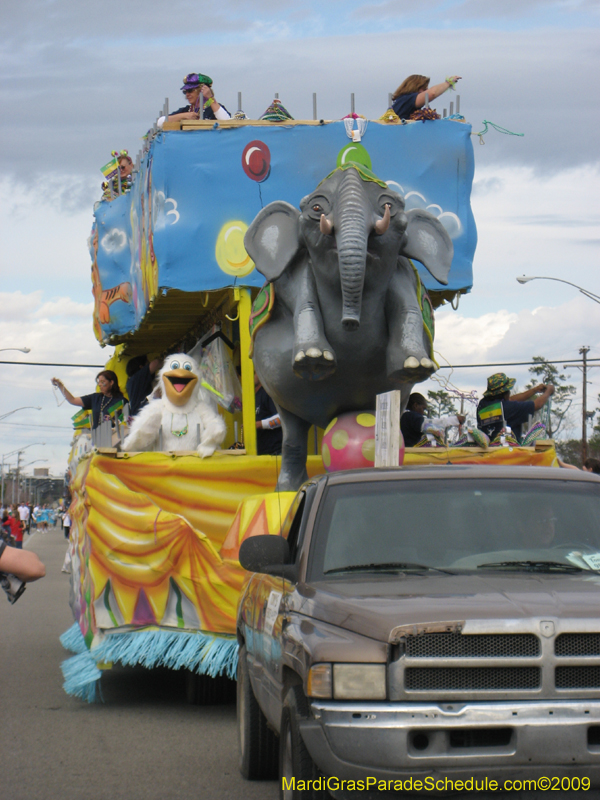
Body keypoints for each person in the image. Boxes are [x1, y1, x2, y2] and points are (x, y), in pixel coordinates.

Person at [477, 373, 555, 445]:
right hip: (507, 452)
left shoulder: (483, 404)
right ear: (504, 393)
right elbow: (538, 404)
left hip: (488, 450)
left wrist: (535, 390)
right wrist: (548, 392)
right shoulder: (508, 408)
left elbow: (510, 399)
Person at [52, 370, 124, 429]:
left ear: (111, 382)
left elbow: (125, 422)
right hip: (97, 440)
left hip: (114, 439)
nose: (100, 384)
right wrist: (60, 385)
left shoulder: (122, 401)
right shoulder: (96, 398)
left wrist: (113, 422)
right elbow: (72, 400)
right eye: (99, 382)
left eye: (103, 382)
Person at [161, 73, 231, 125]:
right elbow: (160, 122)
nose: (187, 94)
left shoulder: (213, 109)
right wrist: (184, 116)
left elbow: (227, 121)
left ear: (201, 90)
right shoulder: (186, 110)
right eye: (185, 92)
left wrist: (210, 98)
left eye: (190, 91)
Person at [400, 393, 466, 448]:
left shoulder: (404, 416)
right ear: (415, 405)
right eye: (423, 409)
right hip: (410, 453)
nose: (423, 413)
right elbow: (430, 425)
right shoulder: (411, 416)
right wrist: (454, 420)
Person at [391, 74, 461, 120]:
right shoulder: (407, 99)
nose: (426, 91)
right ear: (415, 87)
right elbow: (431, 93)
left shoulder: (402, 100)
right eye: (424, 89)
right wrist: (448, 83)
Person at [255, 373, 282, 456]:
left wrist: (259, 424)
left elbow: (281, 419)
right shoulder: (253, 396)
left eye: (253, 373)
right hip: (261, 453)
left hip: (275, 453)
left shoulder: (267, 393)